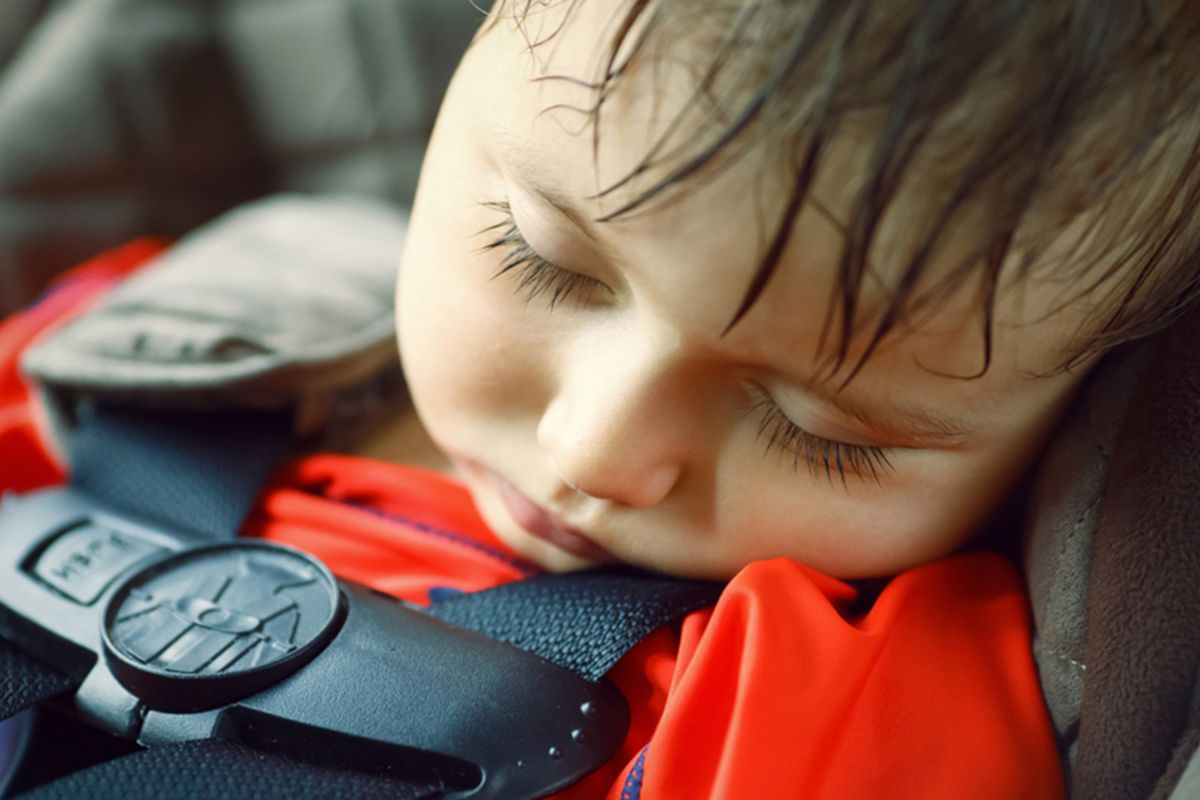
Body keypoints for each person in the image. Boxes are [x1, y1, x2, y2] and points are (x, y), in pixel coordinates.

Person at [3, 0, 1198, 797]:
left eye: (828, 429)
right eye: (540, 258)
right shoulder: (164, 337)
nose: (594, 447)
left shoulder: (826, 698)